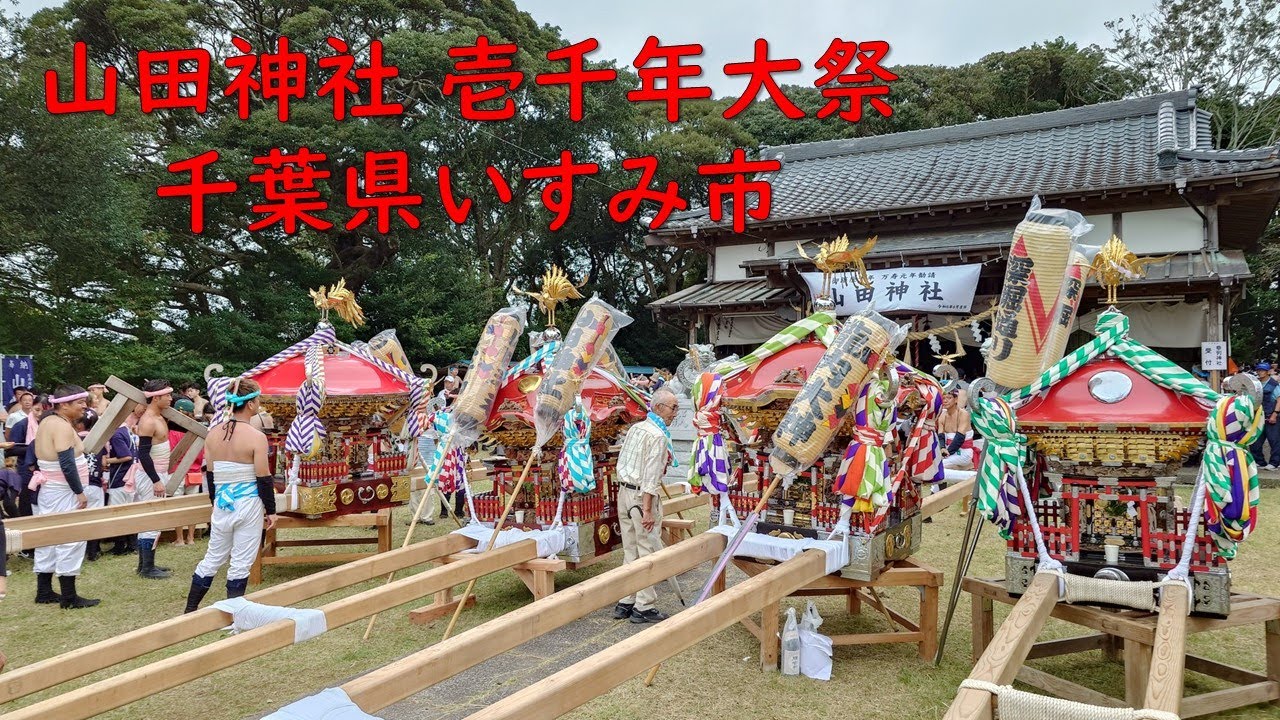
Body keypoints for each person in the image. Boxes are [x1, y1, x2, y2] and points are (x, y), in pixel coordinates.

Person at [185, 378, 278, 612]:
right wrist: (272, 510)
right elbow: (263, 477)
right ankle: (233, 613)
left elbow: (211, 474)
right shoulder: (256, 436)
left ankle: (190, 610)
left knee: (213, 557)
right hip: (247, 502)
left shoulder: (213, 434)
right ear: (250, 404)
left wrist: (215, 503)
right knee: (241, 562)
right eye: (257, 399)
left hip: (222, 501)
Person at [612, 387, 679, 624]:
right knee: (647, 550)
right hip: (641, 498)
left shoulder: (636, 428)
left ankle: (626, 601)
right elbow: (650, 478)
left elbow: (624, 462)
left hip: (624, 492)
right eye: (673, 408)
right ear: (659, 408)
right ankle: (644, 605)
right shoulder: (658, 436)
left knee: (631, 549)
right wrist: (648, 510)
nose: (675, 413)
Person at [31, 385, 99, 608]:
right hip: (63, 491)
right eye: (80, 402)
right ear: (64, 404)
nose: (84, 406)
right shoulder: (59, 426)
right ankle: (69, 598)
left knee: (48, 537)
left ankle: (44, 591)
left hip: (53, 489)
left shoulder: (48, 422)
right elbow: (67, 463)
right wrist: (79, 492)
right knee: (70, 536)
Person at [133, 379, 174, 579]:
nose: (170, 398)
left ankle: (145, 565)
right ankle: (147, 567)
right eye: (167, 395)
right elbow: (143, 454)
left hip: (158, 473)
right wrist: (156, 480)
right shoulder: (148, 420)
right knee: (152, 519)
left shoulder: (160, 416)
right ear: (156, 397)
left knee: (150, 520)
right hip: (151, 475)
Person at [104, 404, 142, 556]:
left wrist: (107, 461)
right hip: (131, 477)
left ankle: (121, 546)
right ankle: (132, 544)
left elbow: (126, 456)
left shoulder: (117, 434)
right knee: (129, 511)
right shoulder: (128, 431)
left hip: (120, 477)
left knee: (118, 513)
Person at [74, 410, 107, 561]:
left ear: (79, 425)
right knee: (95, 520)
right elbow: (104, 464)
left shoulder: (73, 440)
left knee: (79, 520)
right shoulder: (99, 441)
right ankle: (93, 552)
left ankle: (79, 552)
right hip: (95, 484)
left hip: (78, 486)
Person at [938, 386, 975, 472]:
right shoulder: (942, 415)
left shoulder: (963, 414)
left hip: (963, 452)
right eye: (943, 398)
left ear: (955, 399)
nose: (945, 400)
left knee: (938, 466)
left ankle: (969, 477)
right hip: (947, 451)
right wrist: (942, 448)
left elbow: (960, 437)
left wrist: (948, 452)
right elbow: (941, 435)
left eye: (949, 398)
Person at [1252, 362, 1280, 470]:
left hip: (1271, 415)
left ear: (1268, 372)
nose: (1260, 372)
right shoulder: (1256, 384)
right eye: (1258, 370)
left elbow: (1279, 400)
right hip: (1258, 416)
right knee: (1255, 440)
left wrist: (1275, 414)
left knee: (1274, 440)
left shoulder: (1274, 384)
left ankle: (1274, 463)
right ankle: (1259, 461)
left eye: (1262, 370)